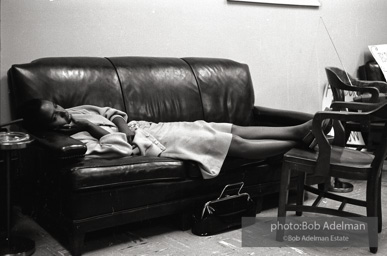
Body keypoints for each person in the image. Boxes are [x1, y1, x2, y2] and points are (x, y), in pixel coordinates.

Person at [21, 99, 316, 179]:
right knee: (233, 146)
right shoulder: (80, 143)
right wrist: (95, 128)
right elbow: (122, 148)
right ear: (53, 129)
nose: (65, 114)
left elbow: (112, 111)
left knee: (229, 129)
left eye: (59, 108)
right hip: (156, 145)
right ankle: (299, 142)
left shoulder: (78, 111)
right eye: (57, 117)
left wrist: (119, 122)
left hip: (153, 127)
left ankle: (298, 130)